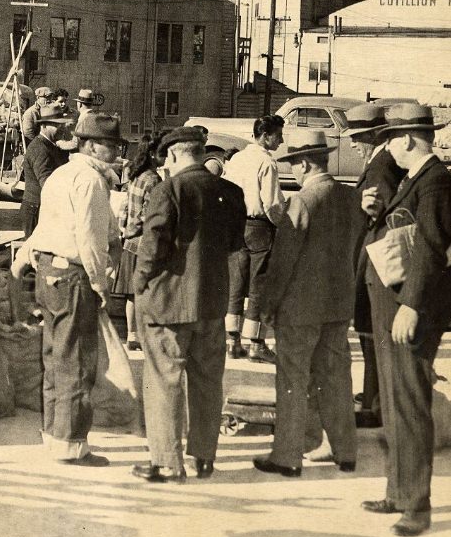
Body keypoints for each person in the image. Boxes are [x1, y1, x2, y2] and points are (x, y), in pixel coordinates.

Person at [131, 127, 245, 483]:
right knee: (208, 383)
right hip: (212, 303)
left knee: (164, 382)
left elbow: (152, 246)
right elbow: (233, 244)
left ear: (175, 155)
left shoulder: (169, 189)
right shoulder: (231, 192)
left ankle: (167, 462)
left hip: (167, 304)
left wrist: (139, 285)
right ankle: (204, 458)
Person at [11, 112, 124, 466]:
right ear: (90, 145)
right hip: (73, 275)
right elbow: (89, 239)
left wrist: (23, 263)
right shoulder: (90, 181)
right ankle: (72, 445)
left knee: (54, 356)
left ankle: (52, 435)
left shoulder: (61, 175)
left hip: (48, 270)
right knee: (76, 360)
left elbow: (44, 226)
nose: (116, 152)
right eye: (110, 146)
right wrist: (100, 283)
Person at [360, 102, 451, 537]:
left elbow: (432, 248)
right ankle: (397, 490)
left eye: (391, 140)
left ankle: (416, 504)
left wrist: (412, 306)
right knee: (396, 403)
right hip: (393, 306)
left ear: (410, 139)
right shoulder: (416, 179)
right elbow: (403, 232)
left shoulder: (434, 183)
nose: (388, 149)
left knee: (411, 406)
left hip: (409, 310)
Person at [253, 129, 364, 478]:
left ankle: (287, 456)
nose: (295, 172)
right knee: (336, 379)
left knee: (292, 380)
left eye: (294, 165)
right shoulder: (350, 197)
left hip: (300, 308)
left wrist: (267, 305)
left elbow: (283, 261)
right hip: (338, 303)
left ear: (304, 163)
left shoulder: (302, 201)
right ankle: (345, 451)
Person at [345, 103, 404, 428]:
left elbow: (382, 217)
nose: (352, 143)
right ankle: (371, 399)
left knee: (372, 334)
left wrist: (357, 208)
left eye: (356, 137)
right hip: (377, 263)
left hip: (378, 264)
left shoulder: (381, 165)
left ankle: (374, 406)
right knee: (372, 334)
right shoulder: (382, 161)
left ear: (372, 135)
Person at [223, 114, 287, 362]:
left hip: (236, 225)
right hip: (259, 227)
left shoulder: (237, 158)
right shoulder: (267, 163)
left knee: (236, 285)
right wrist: (284, 224)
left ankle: (232, 343)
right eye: (278, 136)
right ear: (266, 136)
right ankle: (256, 344)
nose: (281, 141)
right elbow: (271, 204)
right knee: (259, 286)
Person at [115, 134, 164, 351]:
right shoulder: (153, 179)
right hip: (145, 243)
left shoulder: (134, 174)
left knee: (131, 294)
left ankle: (132, 335)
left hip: (129, 242)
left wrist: (124, 230)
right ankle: (144, 336)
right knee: (146, 292)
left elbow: (124, 206)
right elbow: (149, 214)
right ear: (153, 154)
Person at [20, 101, 74, 237]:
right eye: (56, 125)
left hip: (44, 207)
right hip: (36, 211)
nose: (62, 128)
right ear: (43, 125)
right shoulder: (40, 149)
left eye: (62, 124)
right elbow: (48, 184)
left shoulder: (51, 145)